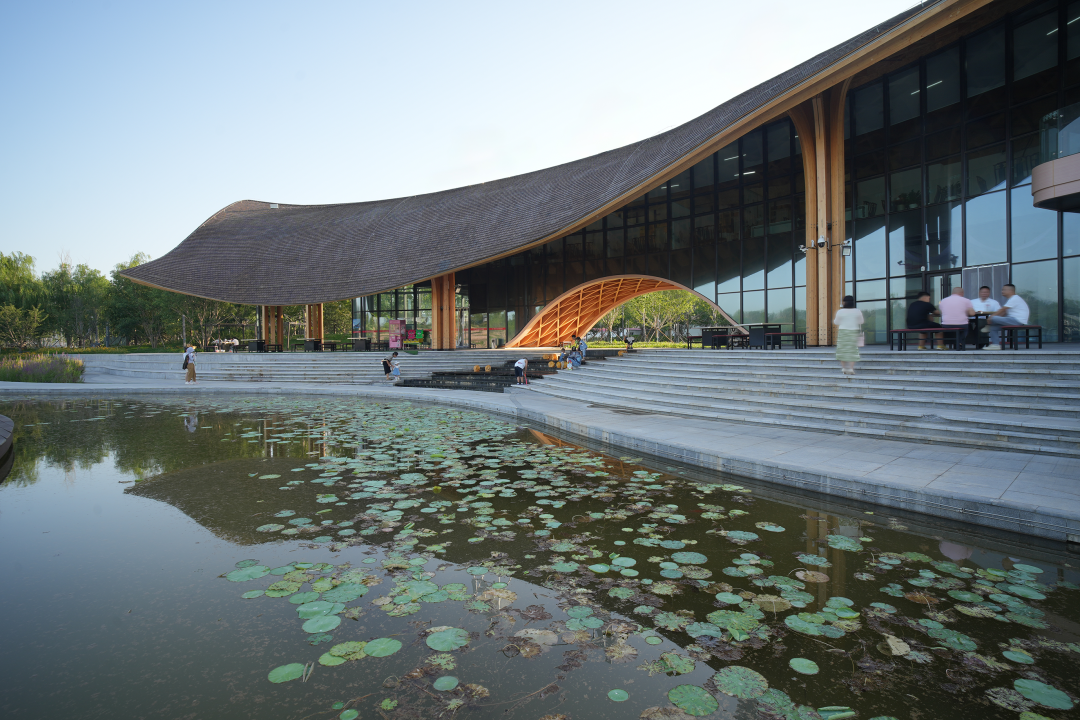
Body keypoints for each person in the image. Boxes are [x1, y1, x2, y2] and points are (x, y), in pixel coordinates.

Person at [981, 283, 1030, 350]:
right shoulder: (1012, 299)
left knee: (994, 317)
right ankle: (996, 345)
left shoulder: (1014, 298)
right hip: (1012, 320)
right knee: (993, 328)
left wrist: (991, 317)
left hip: (1017, 320)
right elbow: (1004, 312)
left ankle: (988, 326)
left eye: (1004, 290)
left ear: (1011, 291)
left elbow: (1003, 309)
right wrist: (993, 319)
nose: (1002, 291)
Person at [833, 295, 864, 376]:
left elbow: (836, 322)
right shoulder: (857, 311)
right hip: (854, 331)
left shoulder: (840, 312)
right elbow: (861, 321)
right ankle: (850, 368)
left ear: (844, 302)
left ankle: (844, 368)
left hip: (843, 332)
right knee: (852, 350)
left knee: (842, 350)